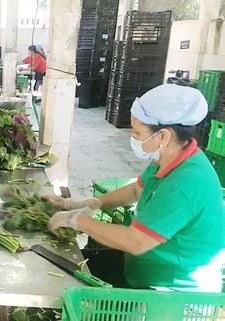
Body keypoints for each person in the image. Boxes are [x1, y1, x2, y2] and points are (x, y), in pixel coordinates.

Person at [46, 84, 225, 292]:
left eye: (137, 132)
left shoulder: (185, 184)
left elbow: (136, 242)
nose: (133, 138)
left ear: (163, 137)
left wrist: (76, 220)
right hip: (144, 267)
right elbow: (135, 190)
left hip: (170, 291)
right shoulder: (170, 158)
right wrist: (93, 203)